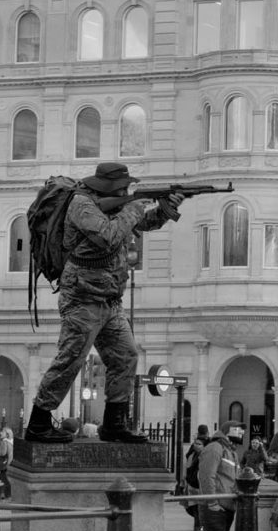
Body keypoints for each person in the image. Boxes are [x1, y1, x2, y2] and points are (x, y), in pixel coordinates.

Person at [22, 162, 181, 446]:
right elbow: (108, 237)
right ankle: (38, 422)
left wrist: (165, 209)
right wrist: (135, 205)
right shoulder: (81, 205)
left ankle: (114, 423)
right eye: (124, 188)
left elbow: (141, 223)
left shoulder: (115, 208)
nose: (127, 191)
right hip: (82, 298)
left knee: (126, 355)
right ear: (109, 188)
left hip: (110, 300)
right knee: (71, 357)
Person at [196, 423, 242, 531]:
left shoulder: (231, 450)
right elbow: (207, 476)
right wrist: (212, 502)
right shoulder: (215, 448)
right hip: (216, 507)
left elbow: (232, 478)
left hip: (226, 505)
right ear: (228, 431)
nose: (242, 432)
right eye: (238, 429)